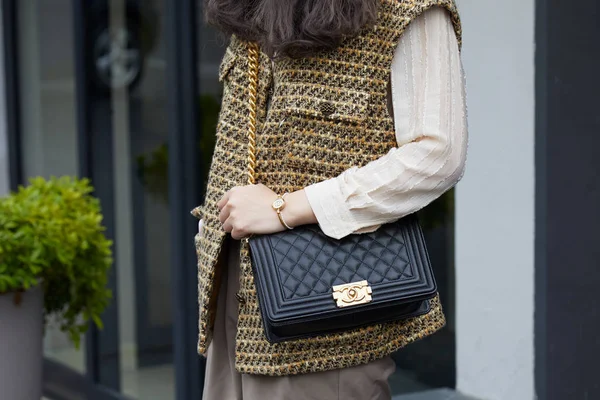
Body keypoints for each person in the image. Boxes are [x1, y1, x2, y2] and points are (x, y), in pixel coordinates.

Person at [193, 0, 467, 398]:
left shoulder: (410, 8)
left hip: (323, 319)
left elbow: (437, 154)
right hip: (232, 294)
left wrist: (286, 209)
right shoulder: (254, 6)